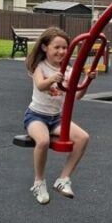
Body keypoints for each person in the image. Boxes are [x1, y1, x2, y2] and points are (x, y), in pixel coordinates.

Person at [23, 27, 95, 204]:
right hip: (36, 116)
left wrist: (87, 81)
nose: (61, 51)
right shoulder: (41, 67)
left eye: (65, 48)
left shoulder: (68, 71)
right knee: (43, 141)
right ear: (44, 48)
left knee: (83, 137)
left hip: (56, 118)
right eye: (57, 47)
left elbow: (76, 95)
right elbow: (40, 85)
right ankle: (39, 182)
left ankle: (63, 179)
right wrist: (53, 79)